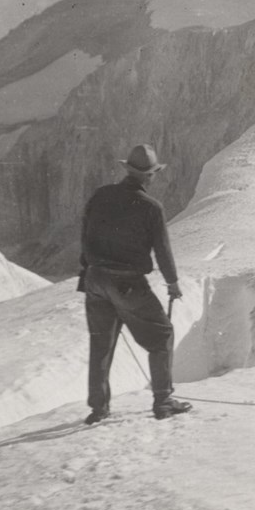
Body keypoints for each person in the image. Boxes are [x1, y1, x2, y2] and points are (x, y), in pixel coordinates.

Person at [78, 144, 191, 424]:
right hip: (127, 283)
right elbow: (162, 251)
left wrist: (90, 272)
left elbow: (85, 234)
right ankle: (163, 401)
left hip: (94, 279)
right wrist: (172, 283)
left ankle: (98, 409)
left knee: (101, 343)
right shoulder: (151, 207)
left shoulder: (100, 196)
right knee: (162, 335)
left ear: (127, 170)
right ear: (150, 176)